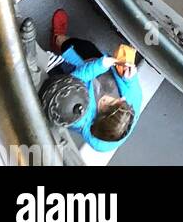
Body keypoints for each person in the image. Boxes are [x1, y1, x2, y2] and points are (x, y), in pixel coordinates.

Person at [47, 9, 142, 154]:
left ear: (100, 113)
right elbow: (133, 89)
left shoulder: (80, 118)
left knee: (51, 67)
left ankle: (51, 49)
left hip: (73, 78)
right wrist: (130, 78)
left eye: (113, 102)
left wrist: (100, 65)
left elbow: (71, 82)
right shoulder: (131, 103)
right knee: (82, 46)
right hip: (94, 64)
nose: (122, 98)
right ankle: (58, 40)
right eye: (124, 102)